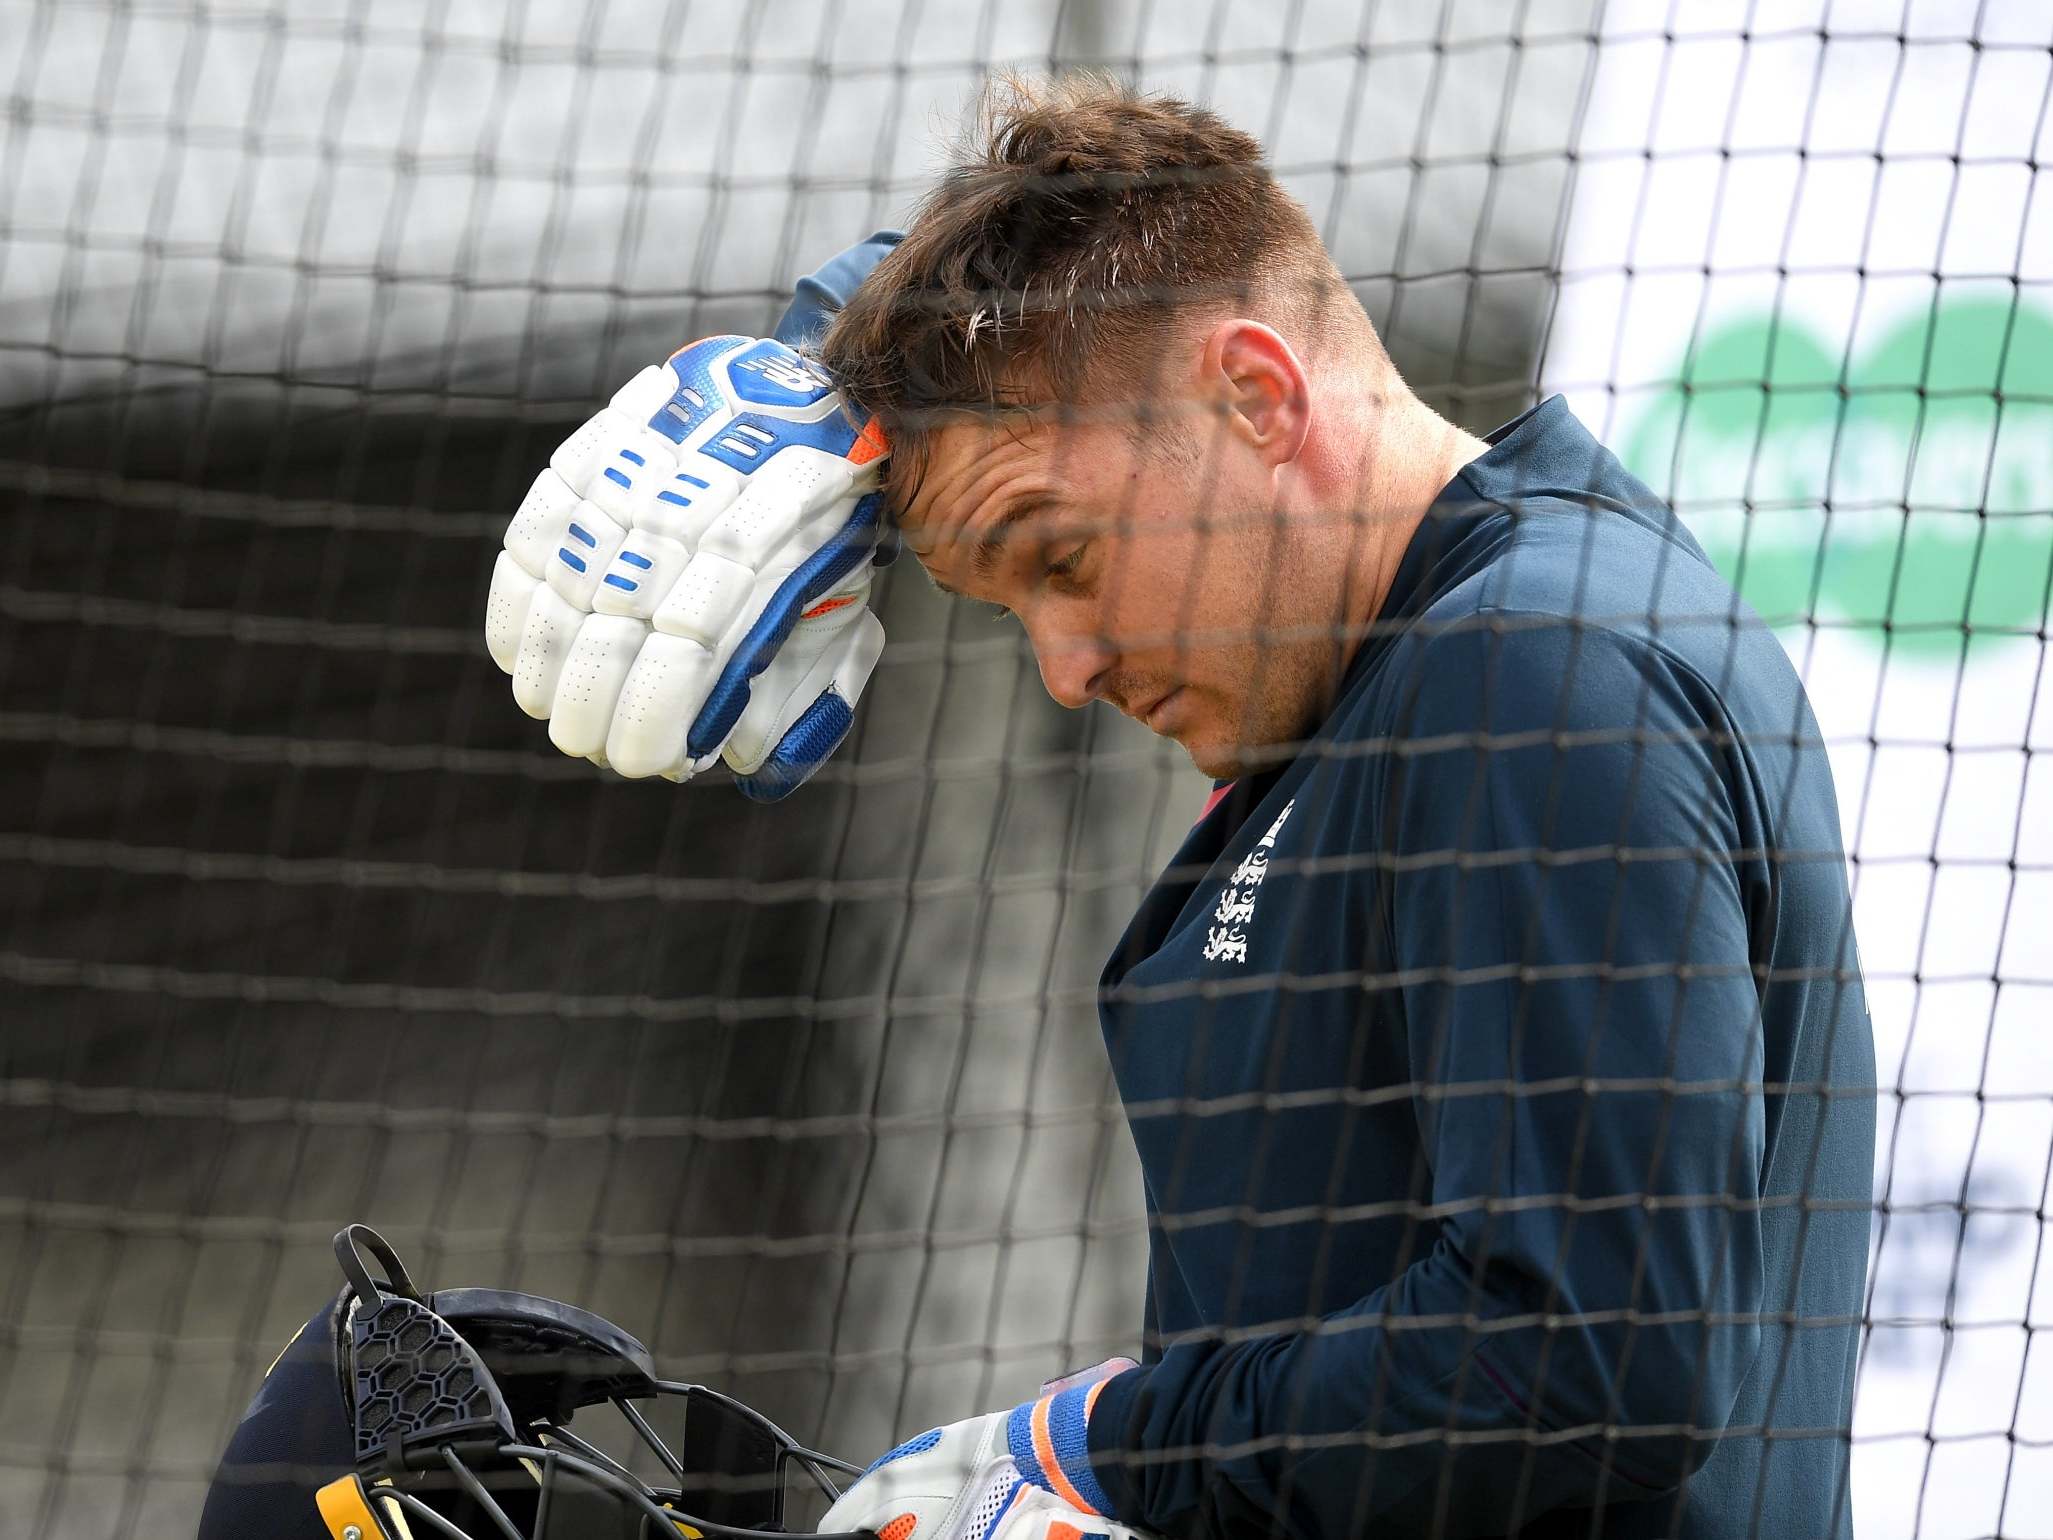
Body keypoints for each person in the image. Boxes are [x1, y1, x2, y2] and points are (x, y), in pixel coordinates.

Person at [489, 75, 1876, 1540]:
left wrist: (1105, 1450)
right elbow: (1107, 245)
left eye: (1061, 558)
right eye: (1005, 599)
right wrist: (809, 367)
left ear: (1257, 396)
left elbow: (1584, 1369)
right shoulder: (1450, 652)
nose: (1065, 668)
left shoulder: (1528, 669)